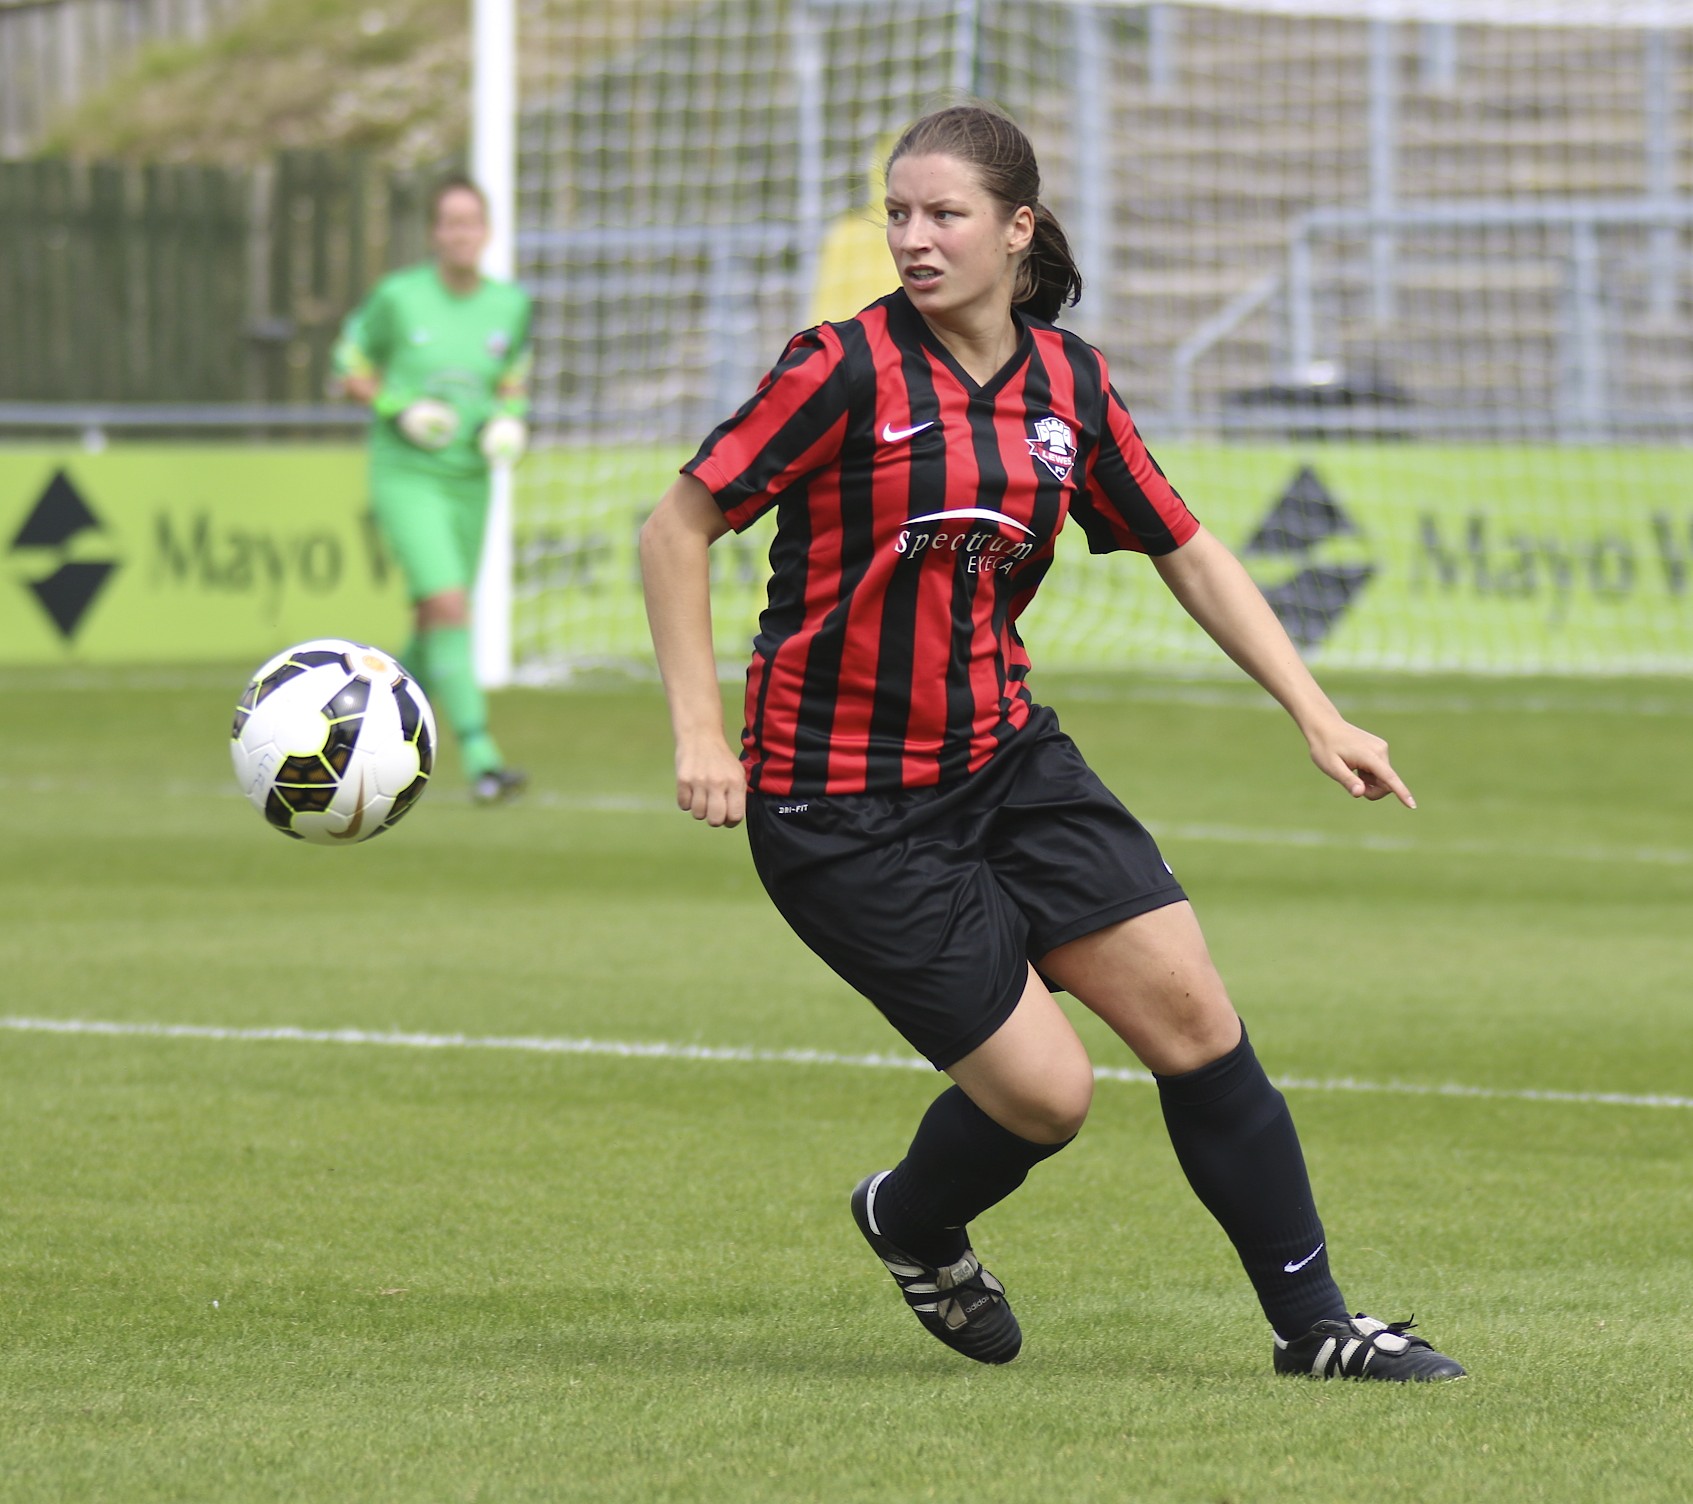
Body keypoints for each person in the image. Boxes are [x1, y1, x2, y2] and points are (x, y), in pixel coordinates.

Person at [639, 105, 1464, 1382]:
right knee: (1049, 1097)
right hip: (840, 807)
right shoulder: (840, 368)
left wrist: (1315, 708)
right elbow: (674, 528)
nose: (914, 240)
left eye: (944, 215)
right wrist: (704, 729)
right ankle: (911, 1220)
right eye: (898, 216)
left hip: (1008, 762)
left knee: (1196, 1022)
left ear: (1017, 229)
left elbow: (1186, 547)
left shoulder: (1067, 384)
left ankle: (1319, 1331)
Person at [334, 175, 531, 804]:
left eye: (471, 221)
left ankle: (360, 728)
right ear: (433, 234)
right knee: (449, 605)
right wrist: (399, 406)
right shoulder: (399, 298)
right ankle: (482, 756)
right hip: (407, 475)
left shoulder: (511, 305)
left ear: (487, 231)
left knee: (434, 619)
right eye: (449, 222)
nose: (460, 233)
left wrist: (509, 419)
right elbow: (347, 367)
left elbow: (512, 378)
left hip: (470, 481)